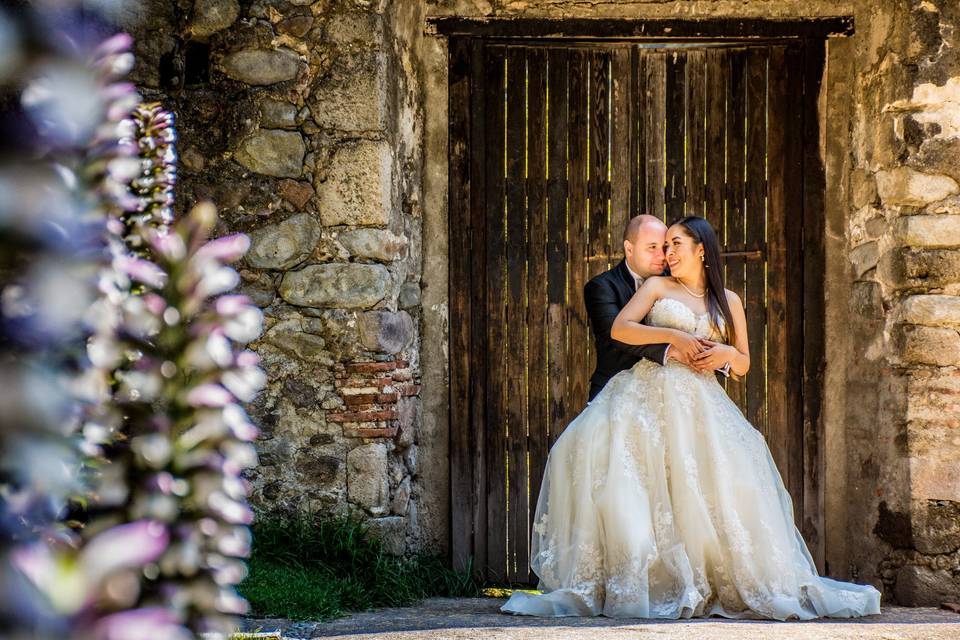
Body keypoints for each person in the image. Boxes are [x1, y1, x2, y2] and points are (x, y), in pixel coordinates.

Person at [500, 215, 881, 620]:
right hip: (651, 391)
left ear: (702, 250)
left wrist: (726, 356)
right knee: (642, 483)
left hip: (704, 402)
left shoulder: (729, 301)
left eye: (675, 244)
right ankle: (651, 577)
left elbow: (744, 362)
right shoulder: (656, 287)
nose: (667, 253)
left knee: (710, 487)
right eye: (663, 246)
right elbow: (621, 329)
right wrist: (673, 337)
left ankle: (711, 578)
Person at [583, 214, 729, 403]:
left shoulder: (679, 279)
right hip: (615, 393)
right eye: (652, 248)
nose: (663, 256)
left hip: (674, 397)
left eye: (665, 247)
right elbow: (616, 336)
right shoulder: (602, 287)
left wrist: (717, 357)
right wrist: (673, 348)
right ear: (629, 248)